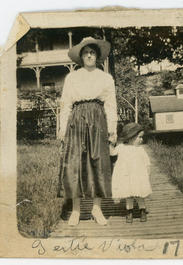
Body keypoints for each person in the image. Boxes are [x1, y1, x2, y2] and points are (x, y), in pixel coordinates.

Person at [57, 37, 117, 226]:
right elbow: (66, 104)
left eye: (92, 52)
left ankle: (96, 209)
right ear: (81, 57)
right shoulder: (72, 77)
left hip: (98, 119)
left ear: (97, 56)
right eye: (86, 52)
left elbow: (111, 105)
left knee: (97, 161)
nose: (89, 55)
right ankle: (76, 210)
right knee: (76, 163)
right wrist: (62, 128)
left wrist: (112, 129)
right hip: (77, 120)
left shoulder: (106, 78)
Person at [112, 123, 152, 223]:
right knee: (128, 194)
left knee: (139, 194)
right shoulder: (121, 147)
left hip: (138, 175)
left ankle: (142, 209)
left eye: (141, 137)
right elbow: (112, 153)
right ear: (131, 136)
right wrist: (109, 141)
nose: (141, 140)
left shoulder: (140, 149)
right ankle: (129, 211)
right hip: (126, 175)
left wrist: (147, 173)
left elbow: (147, 163)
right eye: (139, 137)